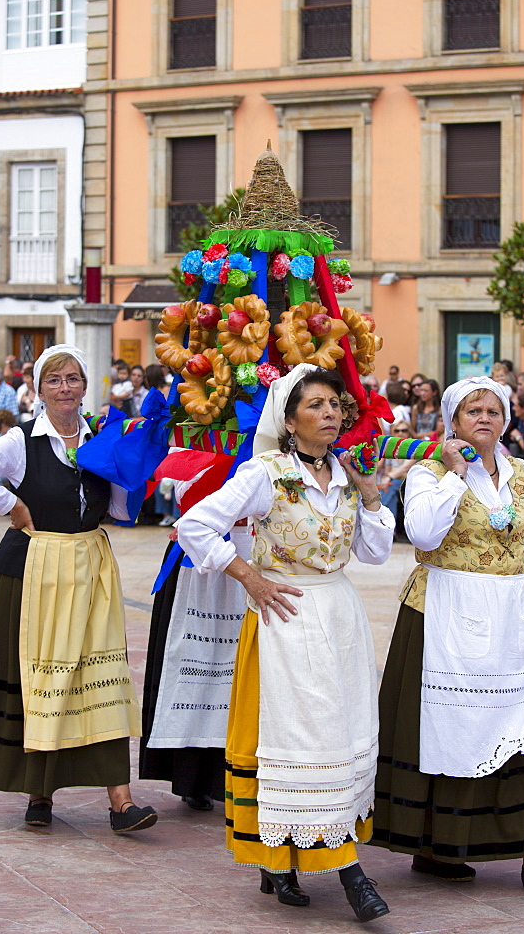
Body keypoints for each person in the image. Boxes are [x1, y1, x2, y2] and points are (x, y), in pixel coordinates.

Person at [178, 365, 394, 921]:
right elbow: (196, 525)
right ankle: (350, 874)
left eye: (335, 405)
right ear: (289, 420)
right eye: (316, 405)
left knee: (340, 733)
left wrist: (370, 500)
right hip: (287, 617)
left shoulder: (347, 473)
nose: (330, 414)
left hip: (339, 615)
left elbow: (372, 556)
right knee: (303, 737)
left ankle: (285, 861)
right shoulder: (265, 473)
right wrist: (249, 576)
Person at [372, 376, 524, 894]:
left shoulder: (522, 473)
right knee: (449, 729)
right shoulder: (429, 472)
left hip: (510, 615)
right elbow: (421, 533)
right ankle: (439, 846)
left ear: (505, 419)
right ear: (453, 421)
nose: (484, 418)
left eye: (493, 410)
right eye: (472, 411)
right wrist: (454, 472)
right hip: (443, 609)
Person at [0, 345, 157, 833]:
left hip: (88, 564)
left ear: (86, 386)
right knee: (41, 677)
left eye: (73, 378)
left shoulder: (103, 436)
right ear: (39, 390)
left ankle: (120, 799)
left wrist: (128, 464)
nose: (65, 388)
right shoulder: (23, 440)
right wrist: (12, 507)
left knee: (100, 675)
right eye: (55, 380)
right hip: (31, 567)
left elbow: (122, 512)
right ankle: (38, 792)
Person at [140, 491, 251, 810]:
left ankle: (242, 775)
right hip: (201, 560)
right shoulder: (200, 443)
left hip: (258, 551)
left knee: (245, 673)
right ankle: (194, 778)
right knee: (198, 666)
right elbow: (184, 488)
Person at [377, 420, 415, 520]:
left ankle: (380, 517)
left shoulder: (414, 448)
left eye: (404, 430)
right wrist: (385, 480)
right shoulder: (391, 450)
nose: (400, 433)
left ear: (409, 432)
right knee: (388, 489)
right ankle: (391, 526)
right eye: (397, 431)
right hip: (394, 482)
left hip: (409, 481)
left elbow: (404, 469)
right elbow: (387, 471)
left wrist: (388, 478)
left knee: (391, 486)